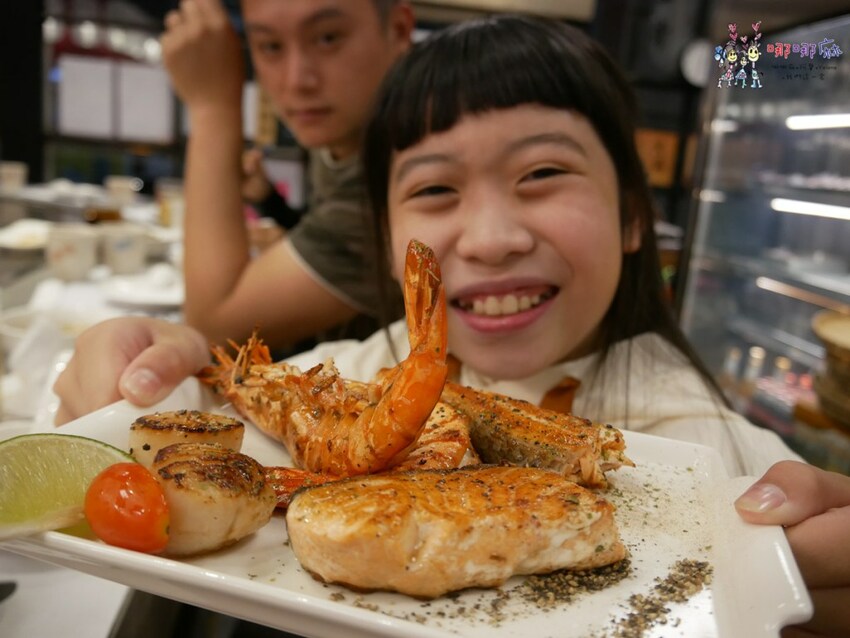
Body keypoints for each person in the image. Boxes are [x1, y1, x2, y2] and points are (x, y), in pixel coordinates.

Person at [55, 15, 849, 636]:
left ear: (635, 216)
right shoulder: (352, 368)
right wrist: (154, 368)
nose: (492, 235)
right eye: (436, 189)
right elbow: (202, 403)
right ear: (382, 236)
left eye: (542, 173)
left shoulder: (718, 453)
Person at [160, 0, 413, 351]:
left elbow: (214, 328)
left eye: (327, 38)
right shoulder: (347, 133)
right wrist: (269, 201)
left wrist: (212, 106)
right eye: (271, 46)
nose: (298, 81)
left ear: (399, 29)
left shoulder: (398, 172)